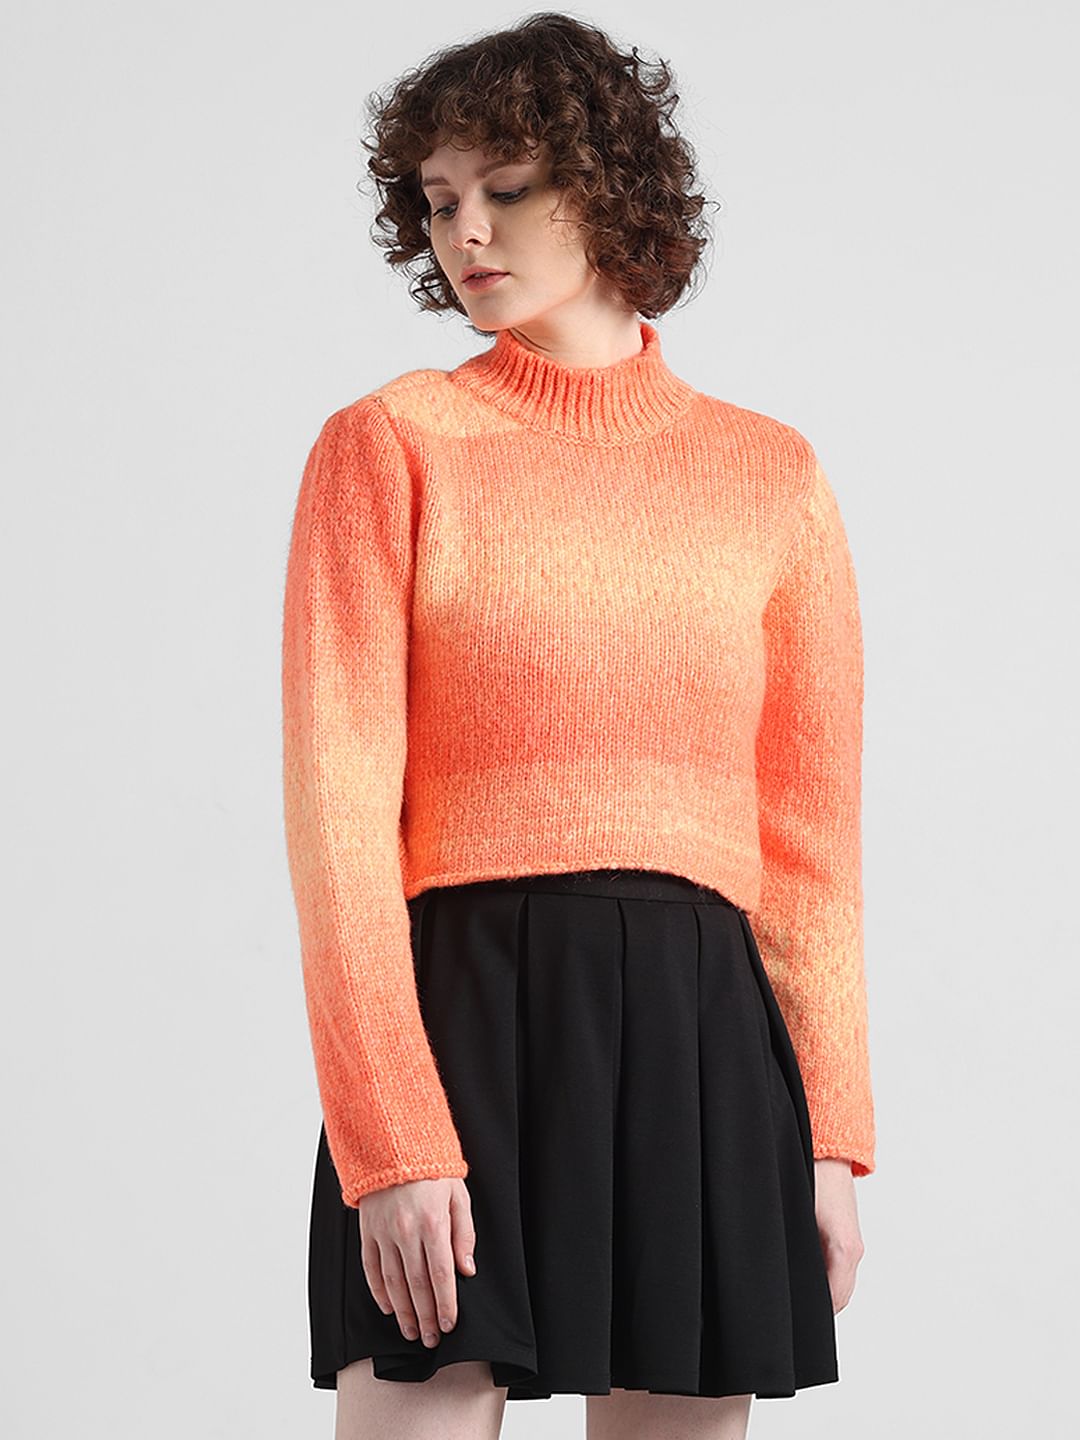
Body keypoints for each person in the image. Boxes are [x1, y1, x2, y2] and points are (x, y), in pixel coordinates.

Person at [281, 13, 875, 1440]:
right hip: (462, 1019)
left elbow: (808, 845)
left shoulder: (770, 475)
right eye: (438, 201)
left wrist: (832, 1137)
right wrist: (389, 1135)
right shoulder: (392, 444)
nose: (465, 233)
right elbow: (337, 815)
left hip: (700, 1031)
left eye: (506, 188)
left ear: (608, 187)